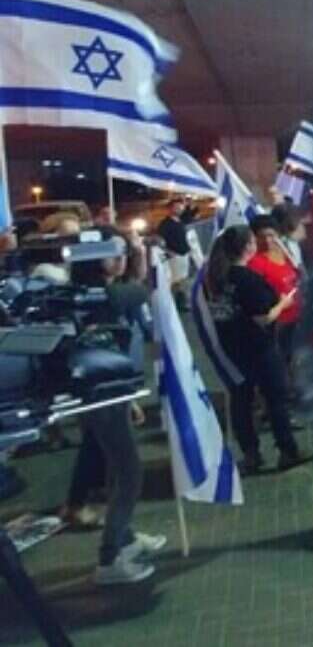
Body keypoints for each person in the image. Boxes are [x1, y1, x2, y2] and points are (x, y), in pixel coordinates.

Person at [68, 226, 166, 584]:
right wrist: (140, 253)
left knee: (117, 469)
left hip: (113, 389)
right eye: (117, 252)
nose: (122, 258)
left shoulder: (91, 293)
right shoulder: (105, 295)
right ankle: (110, 557)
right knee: (130, 472)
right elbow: (144, 288)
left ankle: (124, 537)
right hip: (103, 394)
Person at [205, 225, 311, 474]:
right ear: (248, 247)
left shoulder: (217, 279)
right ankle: (287, 451)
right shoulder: (247, 279)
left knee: (241, 402)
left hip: (232, 348)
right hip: (258, 346)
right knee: (275, 400)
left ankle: (251, 455)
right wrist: (283, 303)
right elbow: (263, 317)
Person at [247, 215, 303, 369]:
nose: (267, 241)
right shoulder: (254, 262)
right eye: (261, 237)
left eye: (271, 235)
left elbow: (296, 274)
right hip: (278, 324)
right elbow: (257, 295)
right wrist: (279, 302)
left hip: (297, 317)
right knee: (284, 363)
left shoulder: (284, 251)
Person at [157, 197, 192, 306]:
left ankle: (181, 303)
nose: (179, 209)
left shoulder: (180, 221)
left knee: (183, 280)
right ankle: (175, 305)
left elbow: (190, 216)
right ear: (170, 209)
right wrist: (168, 252)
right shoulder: (165, 224)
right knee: (176, 282)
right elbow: (159, 241)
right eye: (176, 207)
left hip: (184, 255)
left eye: (180, 207)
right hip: (175, 257)